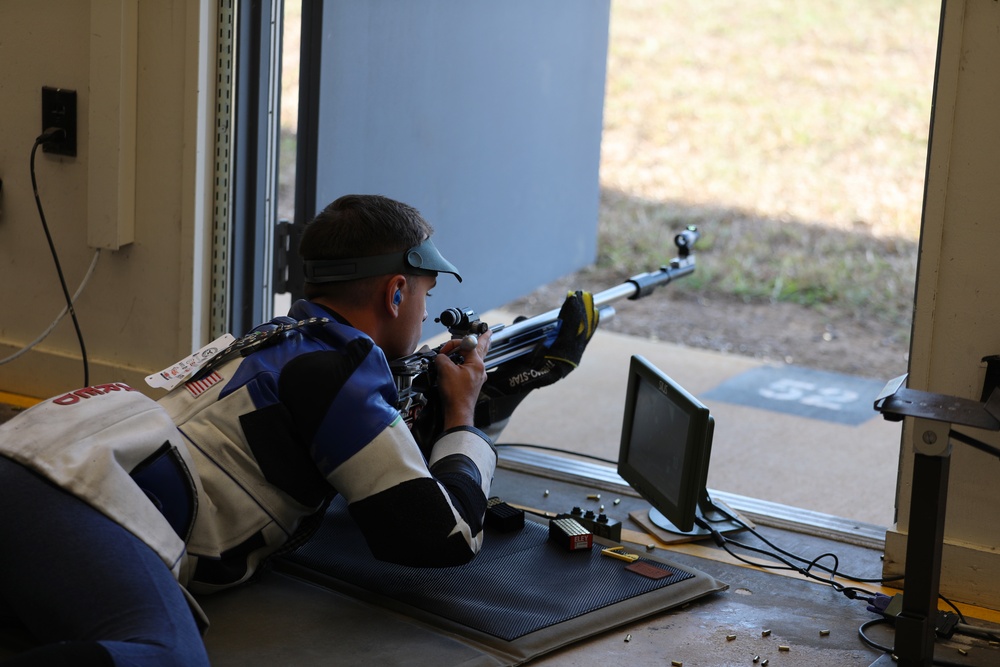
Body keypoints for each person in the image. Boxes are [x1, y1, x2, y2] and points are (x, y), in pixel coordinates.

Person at [0, 194, 598, 666]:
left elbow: (385, 471)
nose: (423, 315)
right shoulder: (342, 369)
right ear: (395, 292)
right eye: (426, 296)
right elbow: (438, 534)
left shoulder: (272, 339)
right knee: (164, 656)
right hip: (87, 501)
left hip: (32, 452)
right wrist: (464, 418)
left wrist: (492, 392)